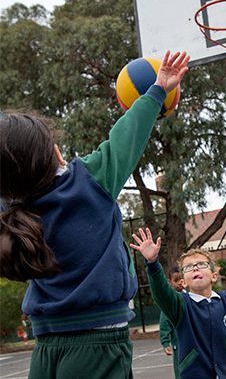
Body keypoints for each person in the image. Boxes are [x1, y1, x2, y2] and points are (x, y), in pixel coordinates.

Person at [0, 50, 190, 379]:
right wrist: (157, 89)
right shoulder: (88, 180)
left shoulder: (9, 209)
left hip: (45, 346)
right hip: (97, 340)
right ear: (55, 154)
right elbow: (126, 136)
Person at [130, 227, 226, 379]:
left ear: (214, 276)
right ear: (183, 282)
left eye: (202, 264)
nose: (196, 267)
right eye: (189, 267)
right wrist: (152, 263)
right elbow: (161, 291)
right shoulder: (180, 305)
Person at [159, 266, 183, 378]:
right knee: (180, 368)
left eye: (181, 279)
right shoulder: (170, 299)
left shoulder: (188, 295)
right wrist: (165, 341)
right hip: (178, 341)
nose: (179, 283)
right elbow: (165, 321)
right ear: (170, 282)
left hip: (191, 339)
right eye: (176, 280)